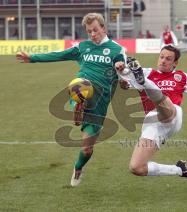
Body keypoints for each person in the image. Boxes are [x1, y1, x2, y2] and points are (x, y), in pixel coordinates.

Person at [16, 13, 126, 187]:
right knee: (82, 85)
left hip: (100, 103)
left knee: (87, 149)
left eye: (95, 30)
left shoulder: (117, 50)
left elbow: (122, 71)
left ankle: (78, 168)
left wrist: (121, 71)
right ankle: (78, 105)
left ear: (103, 28)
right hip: (82, 87)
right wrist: (32, 58)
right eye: (89, 31)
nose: (92, 34)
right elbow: (58, 55)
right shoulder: (83, 47)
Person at [115, 45, 187, 183]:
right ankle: (179, 170)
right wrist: (120, 68)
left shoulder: (181, 77)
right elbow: (125, 79)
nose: (163, 60)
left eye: (168, 59)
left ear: (175, 63)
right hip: (152, 123)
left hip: (173, 115)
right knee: (136, 167)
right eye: (161, 57)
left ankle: (145, 83)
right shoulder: (148, 72)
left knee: (161, 102)